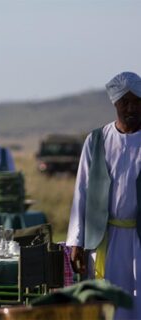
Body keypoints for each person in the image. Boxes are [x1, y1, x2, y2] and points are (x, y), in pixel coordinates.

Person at [66, 71, 141, 319]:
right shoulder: (96, 140)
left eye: (137, 101)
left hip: (138, 239)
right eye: (125, 102)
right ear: (115, 104)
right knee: (107, 304)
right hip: (104, 239)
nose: (132, 108)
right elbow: (82, 192)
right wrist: (76, 242)